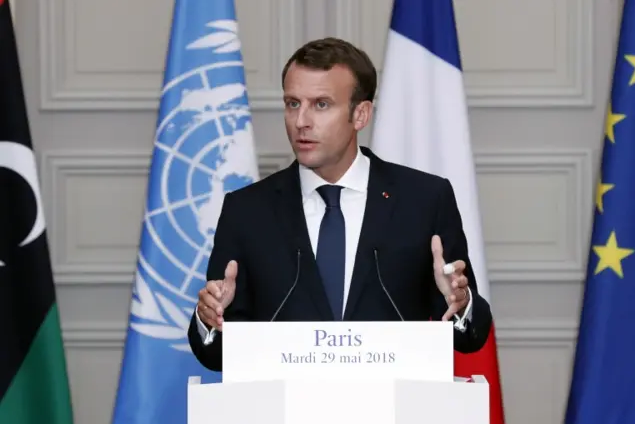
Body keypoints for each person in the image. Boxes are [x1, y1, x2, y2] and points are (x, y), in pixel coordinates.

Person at [187, 37, 493, 372]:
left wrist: (461, 305)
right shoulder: (247, 211)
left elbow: (469, 338)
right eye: (292, 103)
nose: (301, 120)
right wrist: (210, 318)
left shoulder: (424, 200)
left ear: (360, 114)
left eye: (320, 105)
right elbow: (214, 354)